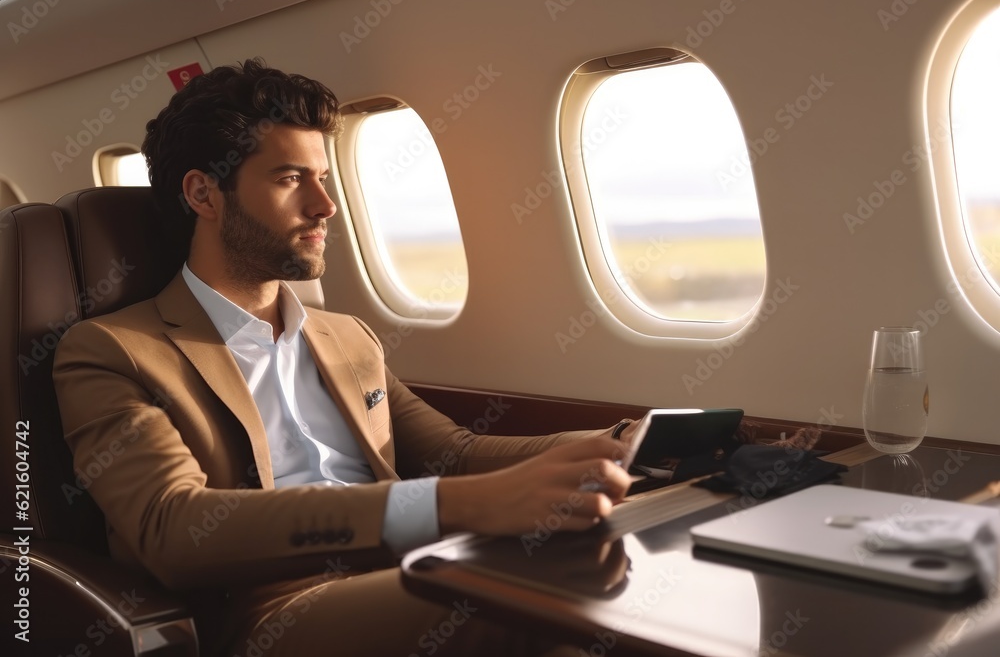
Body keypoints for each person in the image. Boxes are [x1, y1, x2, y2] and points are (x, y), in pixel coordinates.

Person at [52, 58, 639, 656]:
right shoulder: (113, 350)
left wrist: (620, 442)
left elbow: (454, 454)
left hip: (407, 566)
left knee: (605, 561)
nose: (325, 206)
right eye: (289, 179)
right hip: (270, 607)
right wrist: (457, 506)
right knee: (536, 599)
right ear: (204, 192)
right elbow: (172, 528)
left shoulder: (346, 336)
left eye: (323, 178)